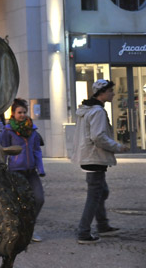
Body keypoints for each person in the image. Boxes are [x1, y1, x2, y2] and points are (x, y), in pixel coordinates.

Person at [72, 79, 129, 244]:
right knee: (95, 194)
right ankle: (84, 232)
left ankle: (103, 225)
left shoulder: (87, 110)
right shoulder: (97, 112)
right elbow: (98, 137)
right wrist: (117, 147)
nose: (113, 94)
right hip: (94, 157)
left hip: (90, 156)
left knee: (101, 191)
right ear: (102, 93)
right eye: (111, 91)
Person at [0, 98, 45, 242]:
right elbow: (3, 151)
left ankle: (28, 227)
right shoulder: (8, 131)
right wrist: (3, 169)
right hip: (15, 172)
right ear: (13, 114)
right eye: (20, 112)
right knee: (18, 202)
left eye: (25, 112)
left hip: (31, 171)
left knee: (39, 199)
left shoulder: (33, 130)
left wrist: (41, 168)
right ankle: (17, 230)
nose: (23, 115)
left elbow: (37, 150)